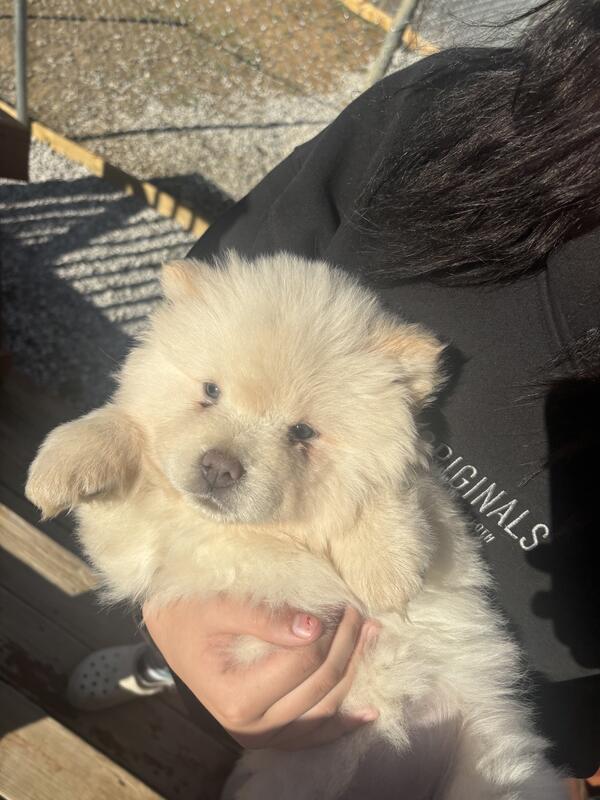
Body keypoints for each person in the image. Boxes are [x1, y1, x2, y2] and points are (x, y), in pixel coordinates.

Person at [81, 0, 600, 789]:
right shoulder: (446, 121)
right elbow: (175, 358)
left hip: (494, 728)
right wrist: (167, 609)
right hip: (218, 600)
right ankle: (159, 664)